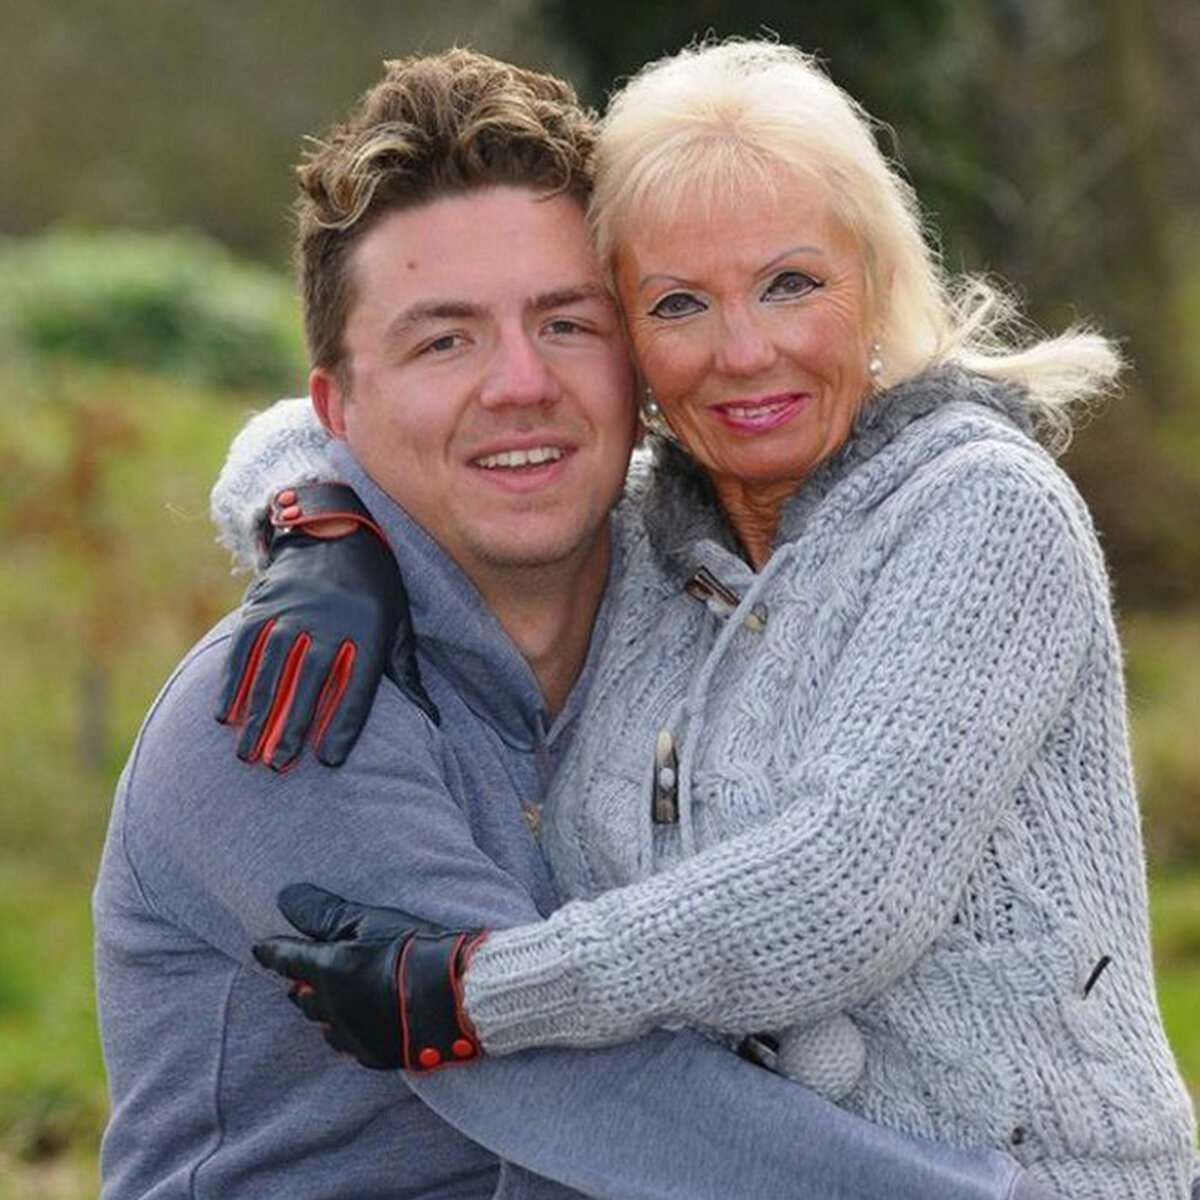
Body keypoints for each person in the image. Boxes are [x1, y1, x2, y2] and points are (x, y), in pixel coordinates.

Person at [217, 41, 1198, 1200]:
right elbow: (336, 409)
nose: (744, 352)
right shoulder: (640, 538)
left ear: (878, 281)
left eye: (792, 284)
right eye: (678, 303)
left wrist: (481, 993)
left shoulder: (980, 510)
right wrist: (316, 522)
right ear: (626, 339)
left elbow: (847, 889)